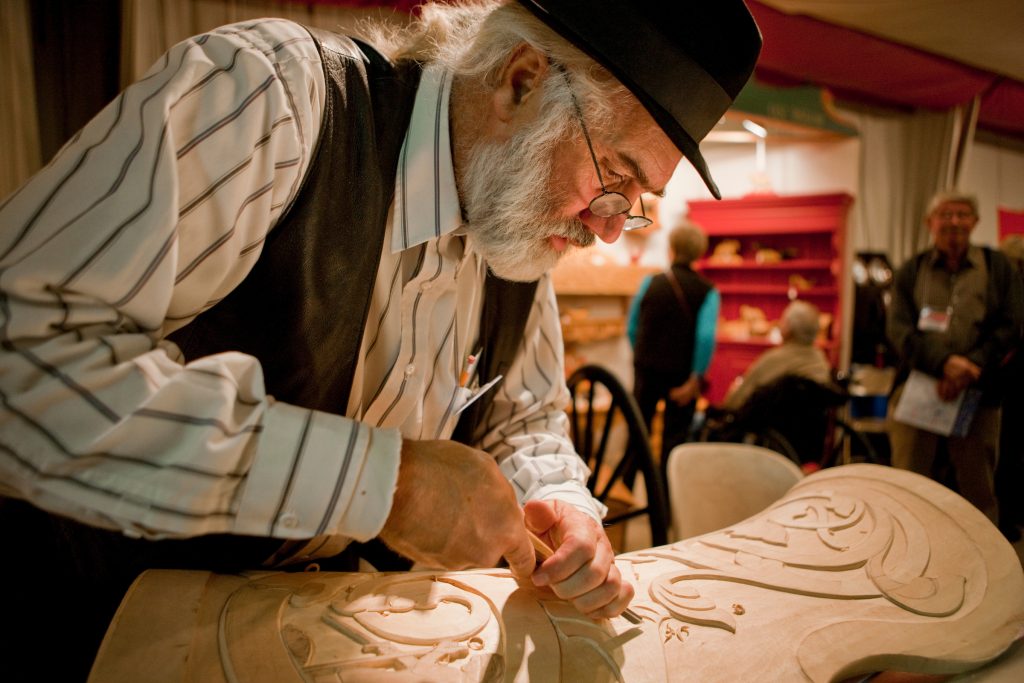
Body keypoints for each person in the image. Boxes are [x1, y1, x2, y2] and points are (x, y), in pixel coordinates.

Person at [0, 0, 763, 677]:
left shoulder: (519, 228)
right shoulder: (272, 96)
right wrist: (383, 485)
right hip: (109, 628)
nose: (607, 226)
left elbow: (524, 419)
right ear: (521, 81)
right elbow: (22, 358)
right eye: (615, 177)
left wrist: (561, 503)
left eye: (635, 202)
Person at [886, 190, 1024, 524]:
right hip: (919, 389)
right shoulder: (911, 270)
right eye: (945, 215)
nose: (954, 222)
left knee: (978, 488)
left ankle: (987, 565)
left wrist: (970, 365)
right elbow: (899, 329)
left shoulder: (998, 267)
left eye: (962, 214)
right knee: (907, 485)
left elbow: (1011, 325)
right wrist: (943, 364)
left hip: (978, 391)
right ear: (929, 223)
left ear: (975, 222)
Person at [627, 220, 719, 470]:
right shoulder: (708, 291)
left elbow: (632, 327)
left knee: (638, 435)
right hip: (682, 376)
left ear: (672, 249)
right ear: (699, 253)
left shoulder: (650, 282)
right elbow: (705, 337)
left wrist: (641, 355)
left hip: (646, 370)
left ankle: (625, 491)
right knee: (674, 441)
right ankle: (666, 500)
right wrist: (696, 377)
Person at [721, 300, 832, 411]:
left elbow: (736, 401)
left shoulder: (774, 359)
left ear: (788, 328)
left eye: (783, 320)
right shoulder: (821, 360)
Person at [996, 234, 1024, 540]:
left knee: (1008, 451)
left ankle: (1008, 516)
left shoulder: (1009, 292)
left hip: (1009, 384)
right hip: (1007, 384)